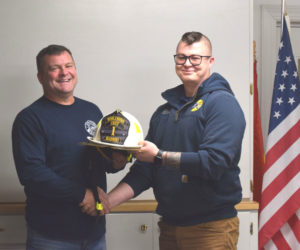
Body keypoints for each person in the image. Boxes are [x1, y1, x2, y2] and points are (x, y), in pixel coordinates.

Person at [101, 32, 246, 250]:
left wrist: (159, 156)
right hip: (169, 227)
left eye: (195, 57)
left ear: (210, 61)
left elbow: (214, 162)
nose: (187, 63)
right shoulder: (164, 112)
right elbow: (144, 170)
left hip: (210, 229)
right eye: (181, 57)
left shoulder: (222, 103)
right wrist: (107, 202)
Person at [12, 44, 128, 250]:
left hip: (94, 232)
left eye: (68, 66)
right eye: (54, 68)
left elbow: (100, 160)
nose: (64, 72)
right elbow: (32, 173)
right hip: (51, 235)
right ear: (40, 77)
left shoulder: (92, 110)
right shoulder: (30, 118)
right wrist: (82, 194)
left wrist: (118, 160)